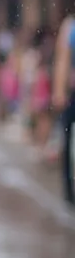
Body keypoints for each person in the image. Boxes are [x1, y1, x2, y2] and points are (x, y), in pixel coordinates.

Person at [52, 14, 75, 204]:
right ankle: (69, 190)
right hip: (72, 93)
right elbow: (63, 59)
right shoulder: (70, 25)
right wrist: (59, 90)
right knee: (67, 140)